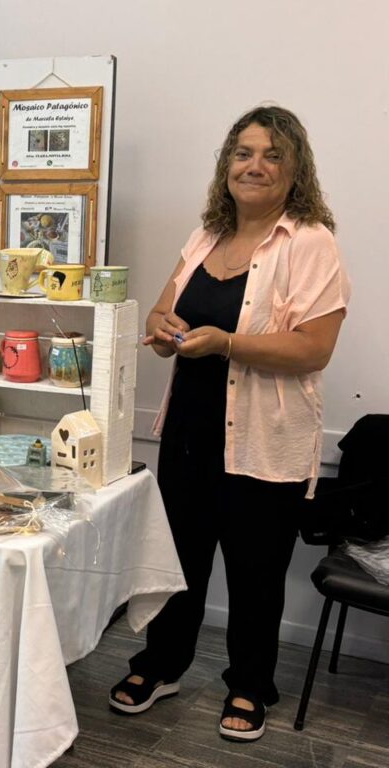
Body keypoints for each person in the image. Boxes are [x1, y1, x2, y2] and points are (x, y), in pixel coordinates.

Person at [109, 106, 350, 742]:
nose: (255, 165)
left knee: (256, 570)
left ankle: (249, 684)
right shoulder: (205, 236)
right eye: (243, 153)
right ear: (227, 165)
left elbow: (315, 348)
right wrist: (162, 330)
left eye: (272, 155)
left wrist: (227, 343)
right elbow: (162, 312)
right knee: (177, 560)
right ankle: (162, 665)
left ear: (295, 169)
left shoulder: (310, 242)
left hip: (265, 439)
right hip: (189, 431)